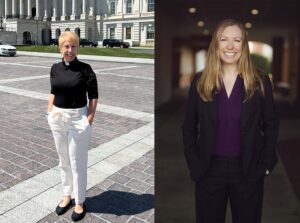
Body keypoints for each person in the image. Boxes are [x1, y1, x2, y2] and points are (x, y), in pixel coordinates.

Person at [182, 19, 279, 223]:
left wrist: (267, 163)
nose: (230, 46)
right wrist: (194, 161)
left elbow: (271, 124)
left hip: (248, 171)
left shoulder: (260, 82)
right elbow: (189, 126)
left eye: (237, 40)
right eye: (224, 39)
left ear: (243, 46)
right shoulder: (200, 82)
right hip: (209, 170)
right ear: (215, 45)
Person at [47, 31, 98, 222]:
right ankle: (67, 195)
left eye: (73, 46)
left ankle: (80, 200)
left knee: (77, 161)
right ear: (60, 48)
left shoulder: (86, 69)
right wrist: (49, 112)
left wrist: (88, 120)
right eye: (66, 46)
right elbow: (53, 91)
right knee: (63, 159)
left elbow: (93, 97)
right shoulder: (54, 68)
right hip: (57, 118)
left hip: (78, 119)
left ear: (77, 47)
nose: (70, 50)